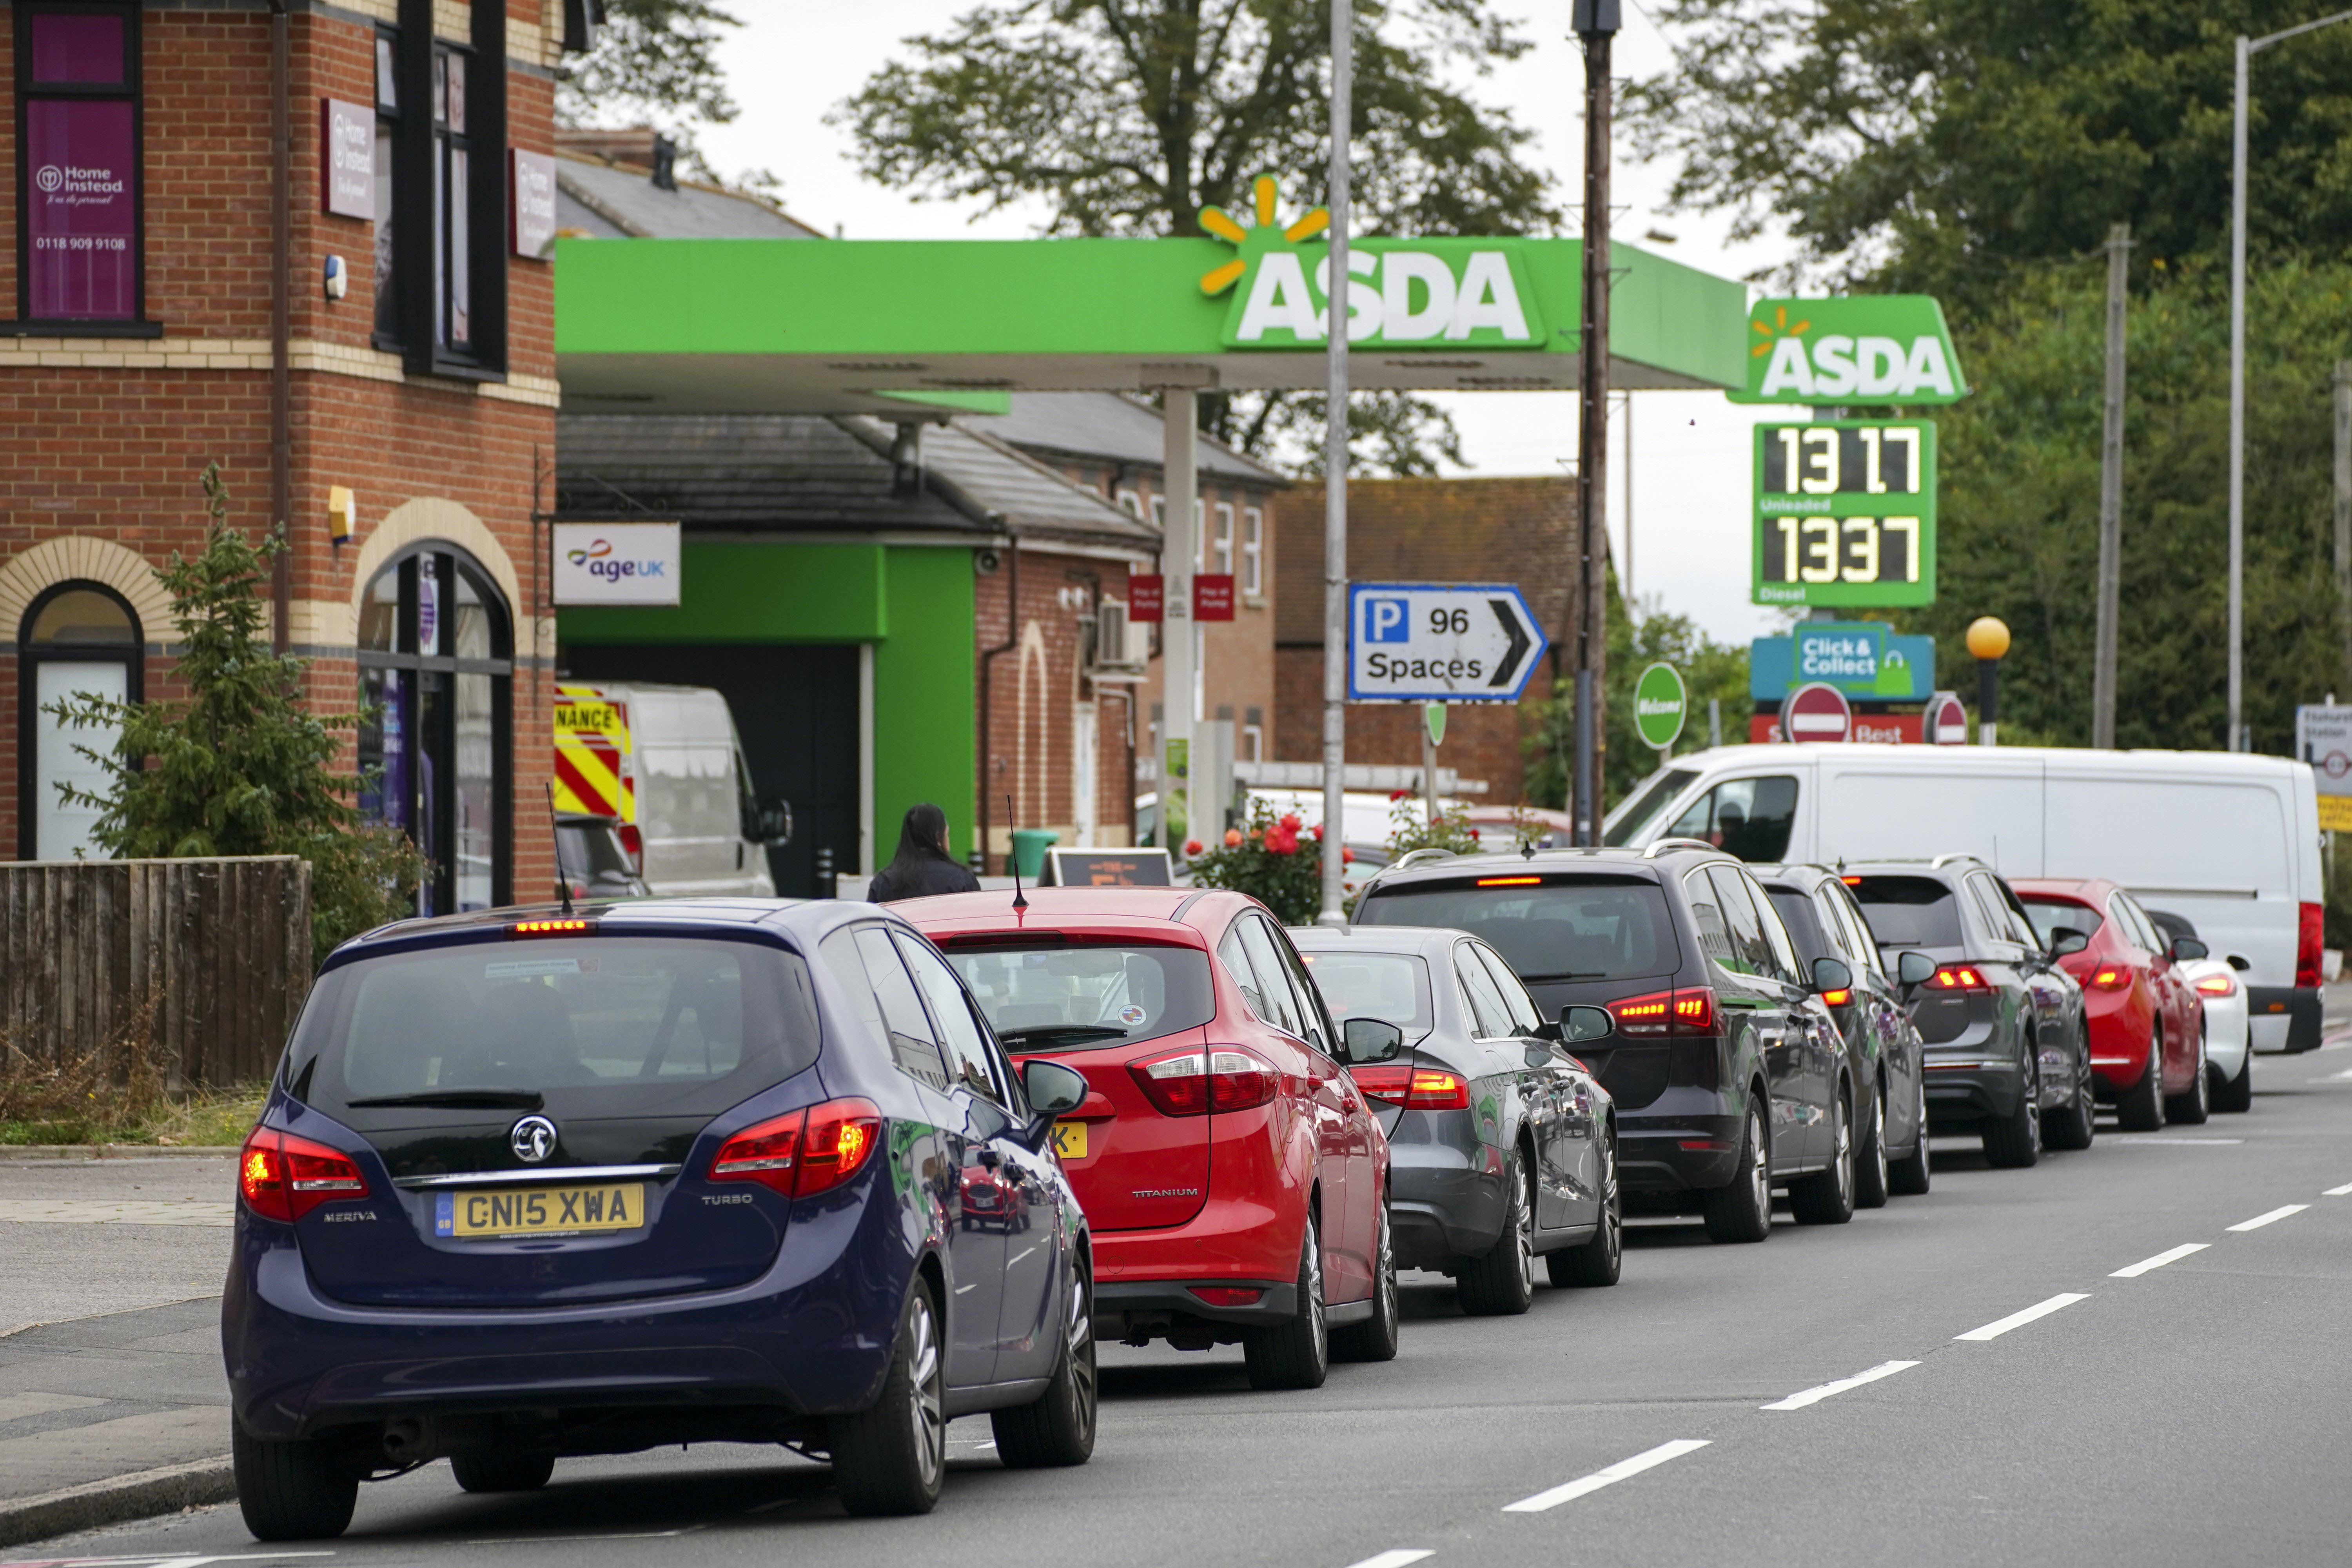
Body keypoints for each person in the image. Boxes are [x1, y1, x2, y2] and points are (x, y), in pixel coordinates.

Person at [866, 803, 982, 903]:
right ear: (938, 837)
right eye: (947, 834)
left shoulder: (884, 881)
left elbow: (872, 924)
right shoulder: (962, 879)